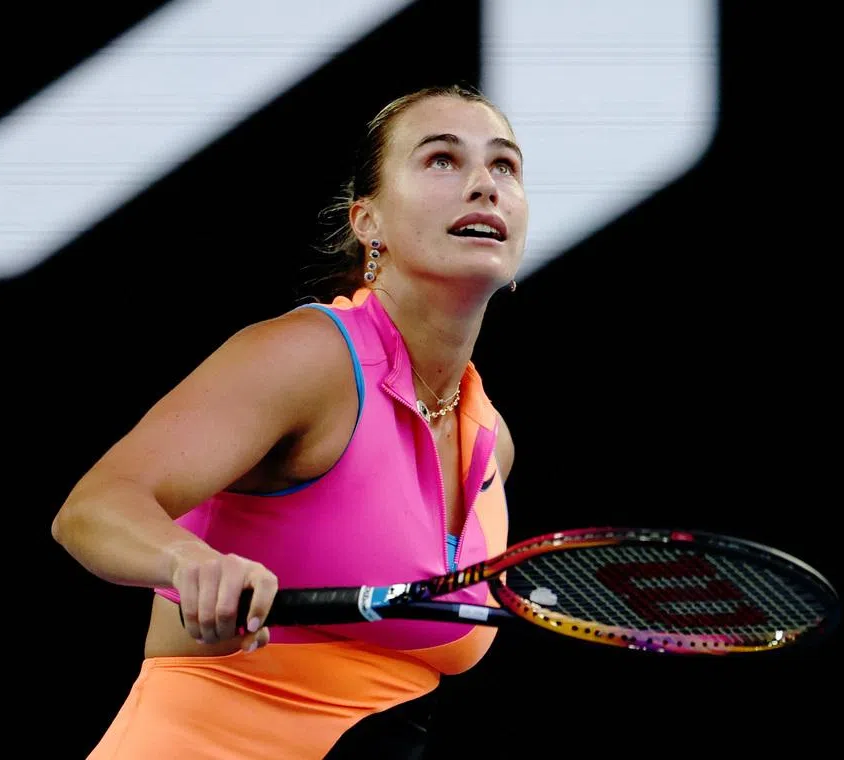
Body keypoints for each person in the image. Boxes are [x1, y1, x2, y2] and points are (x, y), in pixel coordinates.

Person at [51, 83, 527, 759]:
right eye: (441, 160)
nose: (484, 184)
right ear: (369, 223)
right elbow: (92, 508)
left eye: (504, 166)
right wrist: (189, 561)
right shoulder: (312, 360)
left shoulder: (489, 445)